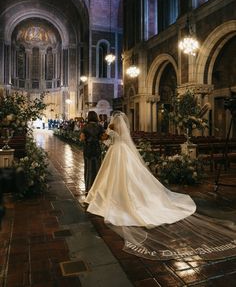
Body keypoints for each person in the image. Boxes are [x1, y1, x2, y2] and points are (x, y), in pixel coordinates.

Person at [85, 111, 236, 261]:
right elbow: (120, 139)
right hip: (123, 152)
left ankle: (113, 195)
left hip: (115, 152)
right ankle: (126, 194)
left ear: (114, 120)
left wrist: (108, 132)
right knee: (129, 176)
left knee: (114, 176)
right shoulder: (120, 129)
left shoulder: (112, 128)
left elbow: (107, 141)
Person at [80, 111, 106, 193]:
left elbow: (82, 138)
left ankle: (88, 188)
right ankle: (97, 187)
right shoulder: (99, 126)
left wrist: (86, 139)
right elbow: (103, 138)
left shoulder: (85, 127)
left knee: (88, 168)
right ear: (95, 117)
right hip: (96, 148)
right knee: (97, 167)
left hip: (88, 148)